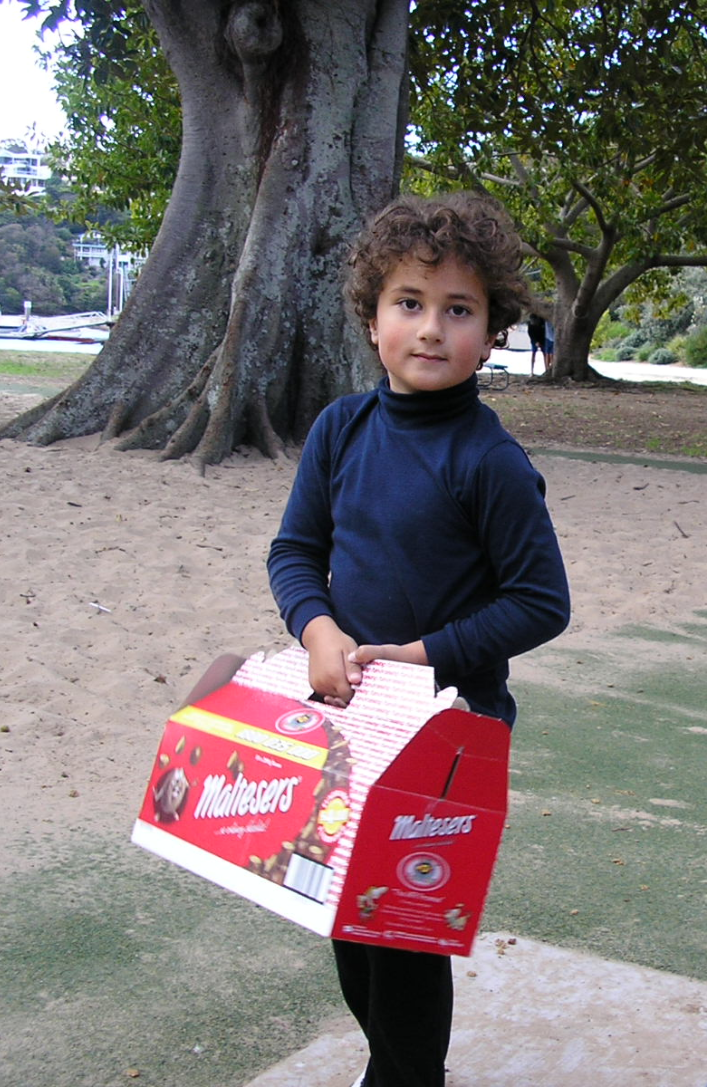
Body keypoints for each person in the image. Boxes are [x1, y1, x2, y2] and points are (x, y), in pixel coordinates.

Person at [267, 191, 571, 1087]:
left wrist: (428, 652)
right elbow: (295, 551)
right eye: (409, 302)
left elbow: (540, 601)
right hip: (346, 711)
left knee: (401, 929)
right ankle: (388, 1066)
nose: (431, 328)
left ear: (492, 333)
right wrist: (317, 628)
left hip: (447, 731)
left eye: (459, 309)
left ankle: (408, 1077)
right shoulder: (339, 429)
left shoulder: (489, 460)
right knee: (345, 919)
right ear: (372, 319)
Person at [526, 307, 547, 374]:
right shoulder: (530, 324)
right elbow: (530, 333)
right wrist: (535, 342)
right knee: (533, 354)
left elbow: (544, 332)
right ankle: (531, 371)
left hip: (542, 339)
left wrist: (541, 342)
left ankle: (546, 369)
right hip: (534, 340)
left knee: (545, 354)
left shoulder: (542, 321)